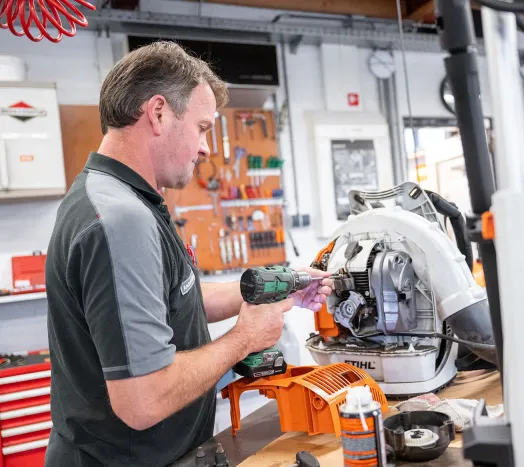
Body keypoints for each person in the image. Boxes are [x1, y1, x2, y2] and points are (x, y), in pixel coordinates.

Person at [44, 41, 333, 466]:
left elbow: (175, 299)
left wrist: (281, 285)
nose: (206, 148)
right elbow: (143, 398)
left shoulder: (117, 197)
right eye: (201, 127)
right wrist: (244, 339)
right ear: (158, 113)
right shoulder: (120, 218)